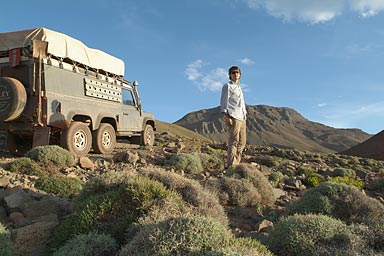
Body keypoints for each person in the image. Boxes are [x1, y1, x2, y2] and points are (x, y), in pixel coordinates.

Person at [220, 66, 247, 167]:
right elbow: (224, 102)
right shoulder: (227, 86)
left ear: (240, 75)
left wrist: (245, 115)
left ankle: (236, 162)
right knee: (234, 141)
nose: (236, 74)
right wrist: (226, 116)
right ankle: (231, 165)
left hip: (242, 117)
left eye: (237, 73)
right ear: (230, 75)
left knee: (242, 142)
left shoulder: (239, 87)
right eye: (233, 73)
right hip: (234, 116)